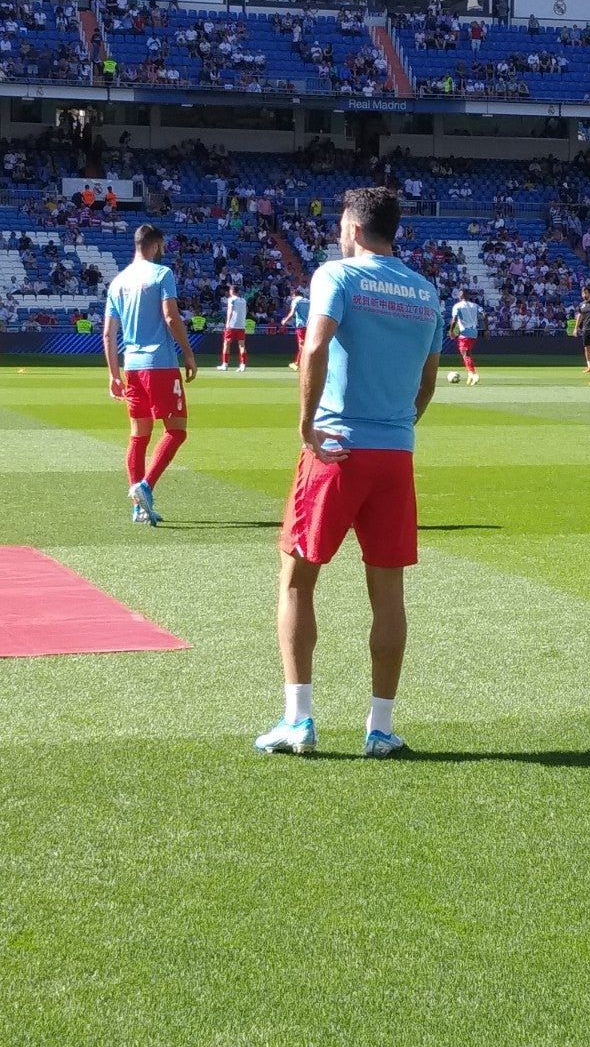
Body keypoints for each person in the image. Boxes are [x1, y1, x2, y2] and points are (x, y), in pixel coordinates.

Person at [256, 188, 444, 759]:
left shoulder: (336, 276)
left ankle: (299, 719)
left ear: (354, 230)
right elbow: (427, 383)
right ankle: (380, 728)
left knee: (296, 580)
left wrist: (308, 426)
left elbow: (313, 349)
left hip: (337, 447)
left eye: (342, 224)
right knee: (388, 594)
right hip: (396, 453)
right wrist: (396, 427)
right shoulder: (426, 291)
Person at [104, 225, 200, 526]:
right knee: (176, 430)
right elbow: (171, 317)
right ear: (155, 245)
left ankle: (138, 507)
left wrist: (113, 374)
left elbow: (108, 333)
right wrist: (188, 352)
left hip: (132, 366)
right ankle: (144, 487)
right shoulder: (162, 275)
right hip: (159, 363)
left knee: (139, 435)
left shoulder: (117, 282)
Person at [449, 293, 485, 385]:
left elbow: (455, 319)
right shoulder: (475, 305)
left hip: (464, 333)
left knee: (465, 354)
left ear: (460, 297)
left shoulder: (457, 306)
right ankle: (470, 374)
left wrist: (451, 331)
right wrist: (487, 329)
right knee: (467, 353)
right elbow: (485, 315)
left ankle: (473, 374)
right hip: (474, 333)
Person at [217, 284, 248, 370]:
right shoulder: (243, 300)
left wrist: (227, 322)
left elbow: (230, 311)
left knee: (226, 344)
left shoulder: (231, 300)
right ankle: (243, 365)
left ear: (231, 291)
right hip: (241, 325)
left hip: (232, 325)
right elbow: (245, 311)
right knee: (242, 345)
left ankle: (225, 364)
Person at [280, 288, 309, 370]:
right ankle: (303, 363)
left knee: (302, 345)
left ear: (295, 295)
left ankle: (298, 363)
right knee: (307, 345)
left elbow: (292, 313)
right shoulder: (308, 301)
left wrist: (284, 321)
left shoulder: (296, 301)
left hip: (301, 326)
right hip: (310, 326)